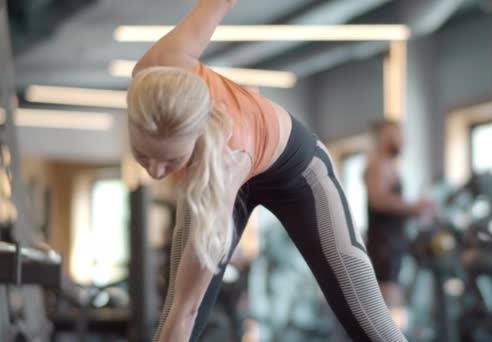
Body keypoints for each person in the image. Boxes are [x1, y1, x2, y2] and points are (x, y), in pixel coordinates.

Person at [125, 1, 408, 341]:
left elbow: (190, 306)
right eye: (143, 155)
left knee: (371, 324)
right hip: (215, 172)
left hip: (297, 173)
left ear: (197, 136)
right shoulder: (157, 66)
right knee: (176, 312)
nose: (156, 172)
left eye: (171, 162)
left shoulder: (226, 161)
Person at [364, 119, 434, 328]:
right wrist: (415, 207)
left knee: (395, 298)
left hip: (394, 242)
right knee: (387, 301)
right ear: (384, 136)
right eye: (398, 135)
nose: (403, 140)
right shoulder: (377, 164)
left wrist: (418, 211)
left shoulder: (387, 165)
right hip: (384, 244)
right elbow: (379, 200)